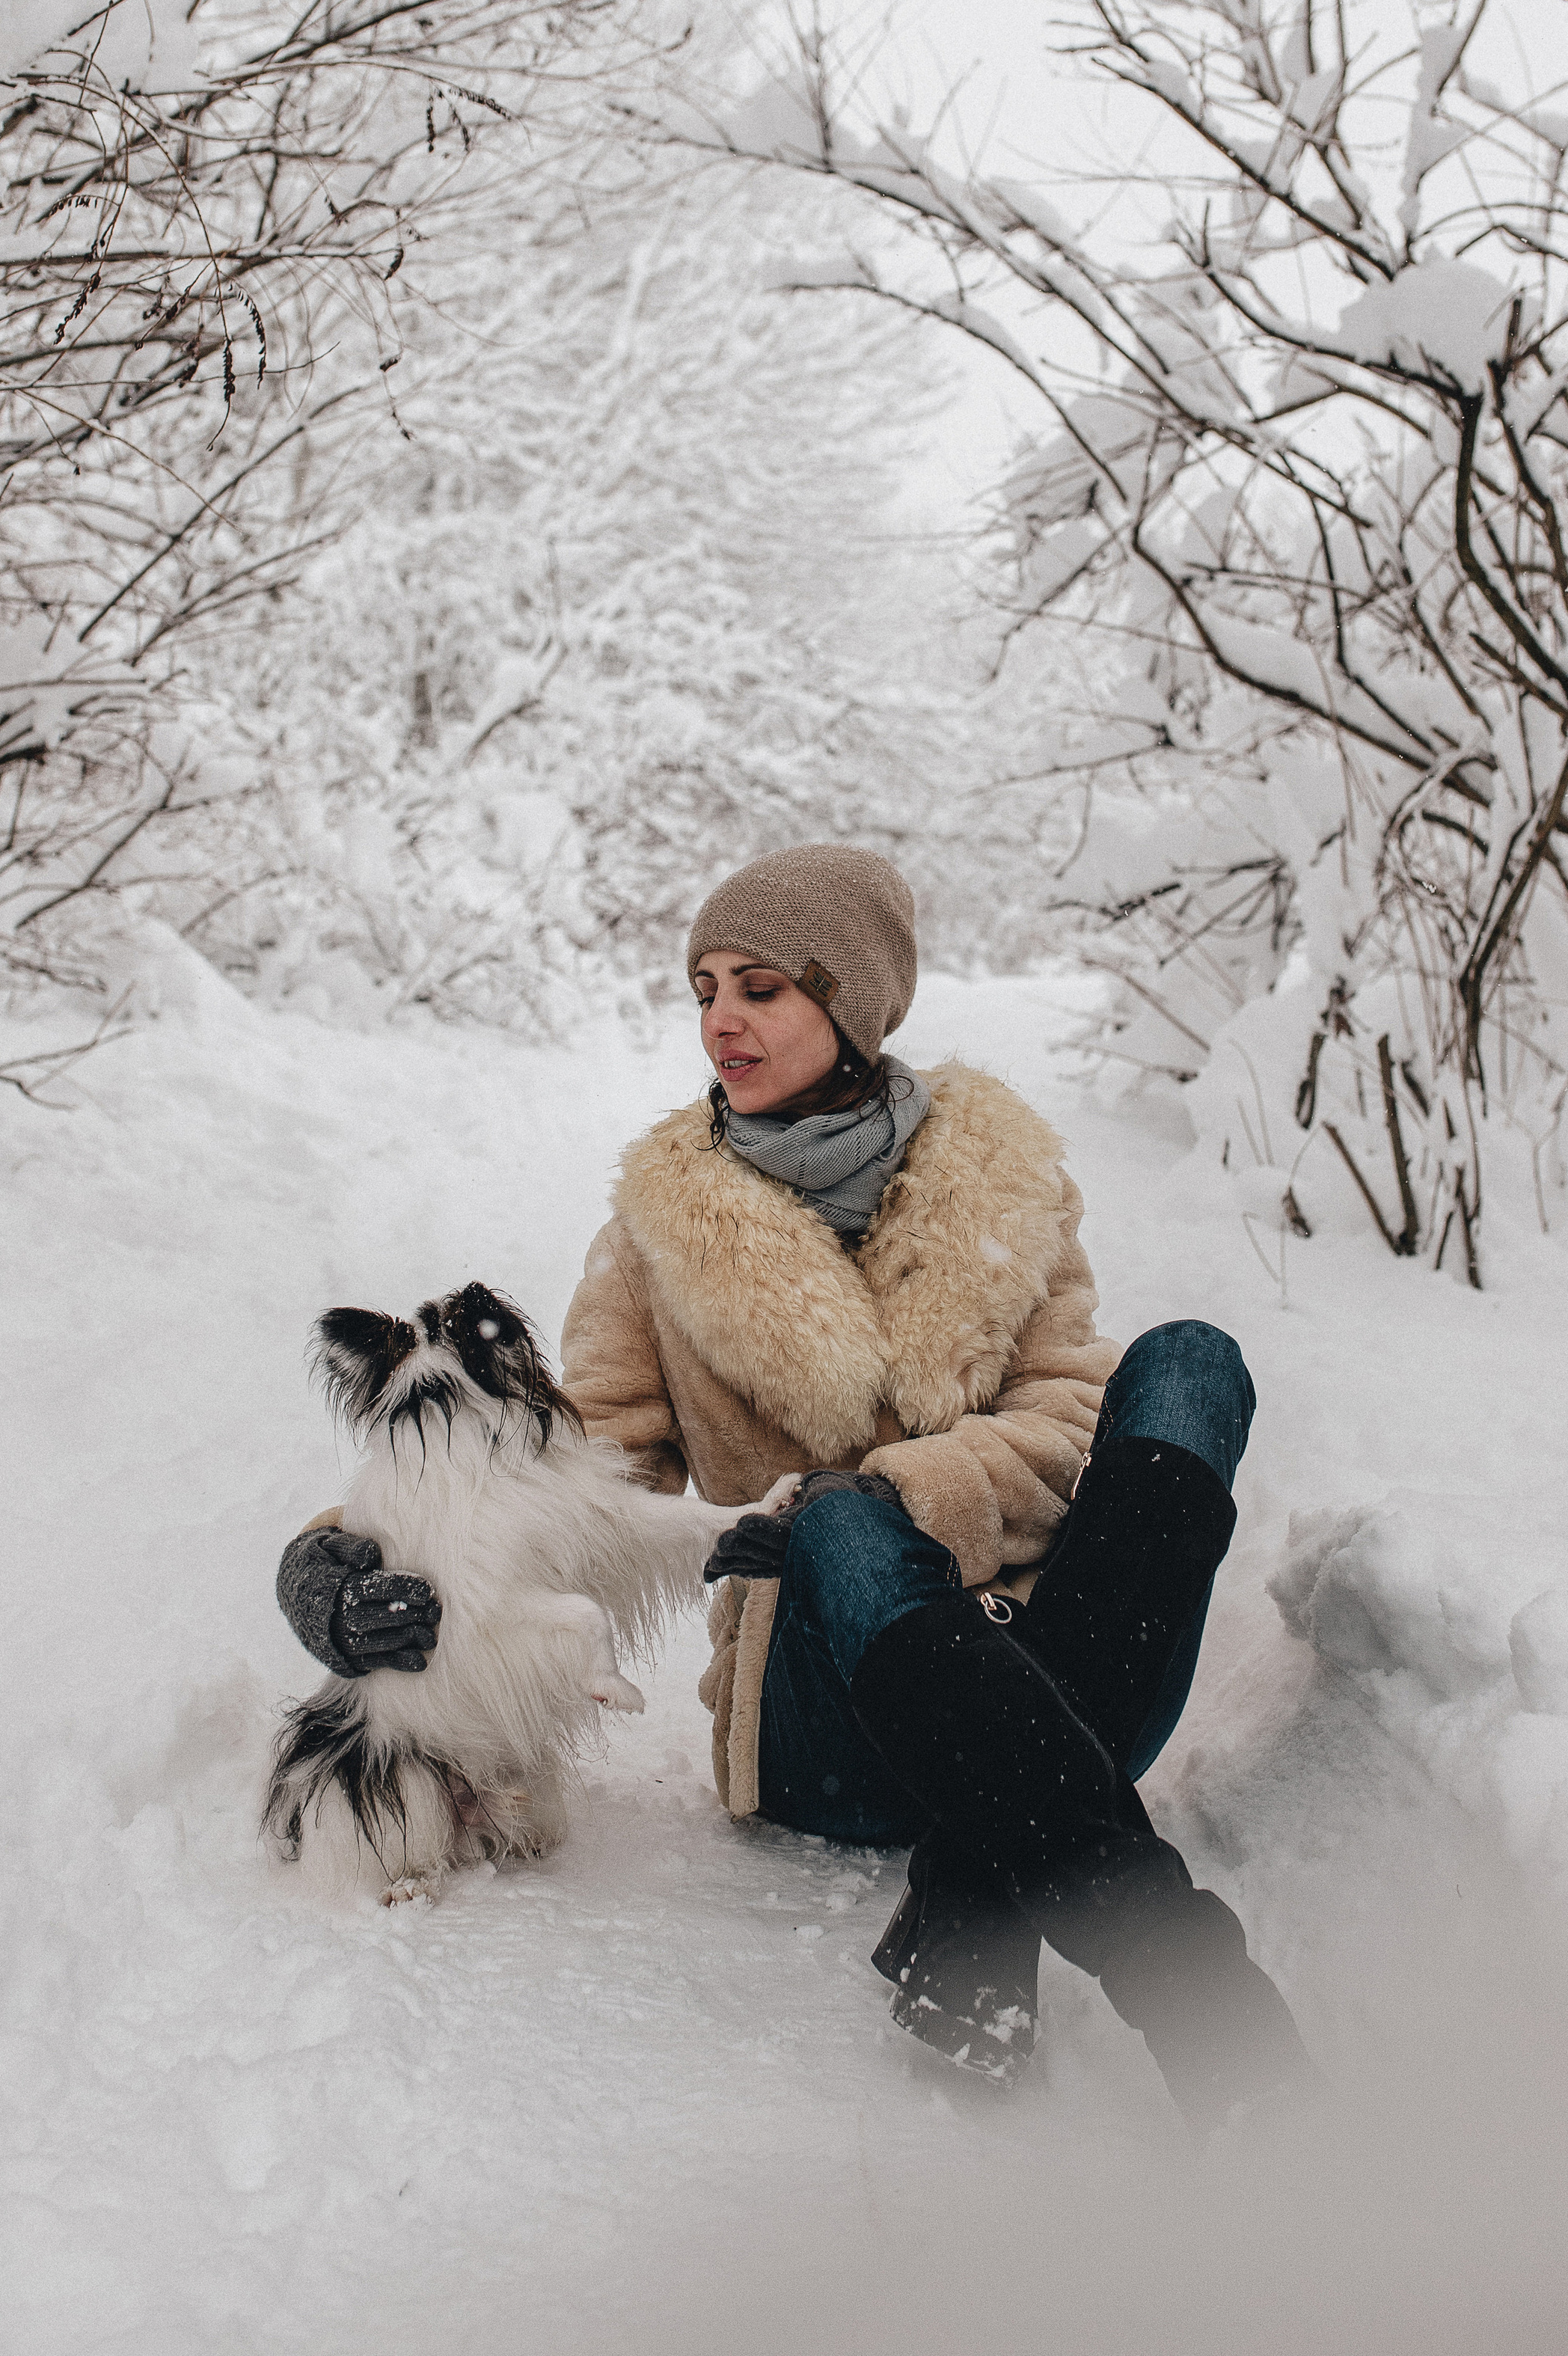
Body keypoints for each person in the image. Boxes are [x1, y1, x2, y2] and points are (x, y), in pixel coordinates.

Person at [277, 843, 1309, 2135]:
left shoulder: (1008, 1185)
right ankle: (1197, 1990)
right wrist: (333, 1561)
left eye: (761, 986)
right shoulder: (661, 1231)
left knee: (1191, 1366)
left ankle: (976, 1894)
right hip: (835, 1724)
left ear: (855, 1003)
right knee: (825, 1514)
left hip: (1061, 1681)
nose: (721, 1018)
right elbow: (561, 1473)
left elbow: (1064, 1420)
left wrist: (905, 1489)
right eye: (705, 985)